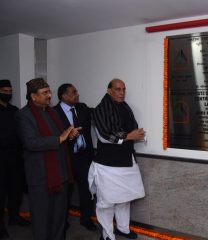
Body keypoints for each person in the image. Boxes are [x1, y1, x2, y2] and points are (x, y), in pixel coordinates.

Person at [15, 78, 81, 240]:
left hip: (61, 175)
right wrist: (60, 138)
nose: (50, 95)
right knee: (42, 219)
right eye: (45, 93)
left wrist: (69, 135)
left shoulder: (52, 112)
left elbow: (61, 137)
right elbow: (31, 143)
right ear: (33, 96)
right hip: (40, 178)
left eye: (49, 91)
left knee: (59, 218)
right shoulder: (23, 115)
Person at [89, 79, 145, 240]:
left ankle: (122, 228)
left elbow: (130, 127)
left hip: (126, 159)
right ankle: (107, 234)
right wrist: (130, 136)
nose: (121, 93)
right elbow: (105, 136)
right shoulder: (100, 109)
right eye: (118, 89)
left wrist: (137, 134)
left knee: (124, 198)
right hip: (108, 163)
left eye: (124, 89)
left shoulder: (125, 107)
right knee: (106, 202)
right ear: (109, 91)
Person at [54, 84, 96, 231]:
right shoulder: (53, 112)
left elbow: (98, 112)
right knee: (65, 192)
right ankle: (62, 221)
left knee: (87, 189)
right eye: (73, 92)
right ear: (63, 96)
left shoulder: (82, 107)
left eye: (76, 91)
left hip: (84, 157)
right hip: (65, 157)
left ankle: (86, 219)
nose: (77, 94)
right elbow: (52, 136)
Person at [0, 79, 30, 239]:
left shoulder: (14, 110)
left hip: (15, 158)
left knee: (16, 190)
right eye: (4, 91)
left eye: (9, 91)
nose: (8, 94)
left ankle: (14, 217)